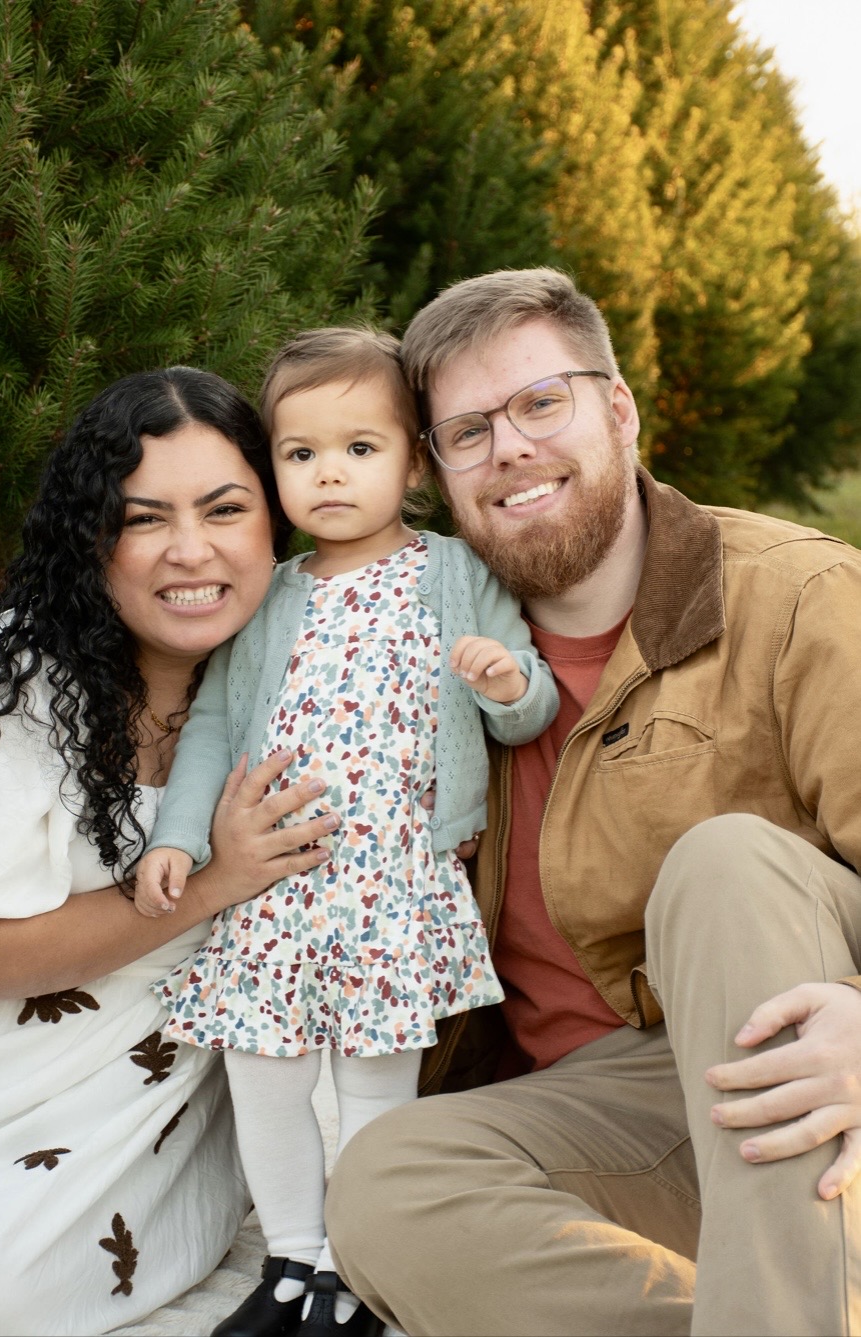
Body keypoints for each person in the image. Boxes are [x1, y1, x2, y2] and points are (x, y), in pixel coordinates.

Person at [324, 268, 861, 1337]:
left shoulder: (797, 595)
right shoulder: (418, 652)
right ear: (436, 470)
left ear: (617, 410)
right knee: (385, 1181)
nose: (507, 448)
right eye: (466, 431)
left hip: (809, 1056)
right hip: (621, 1113)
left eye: (539, 402)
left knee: (725, 862)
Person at [134, 327, 560, 1337]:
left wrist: (506, 684)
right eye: (301, 452)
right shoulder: (271, 593)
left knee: (374, 1087)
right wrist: (177, 836)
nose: (329, 472)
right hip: (275, 889)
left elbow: (527, 709)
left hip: (393, 886)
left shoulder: (455, 573)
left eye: (360, 448)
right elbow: (213, 724)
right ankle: (289, 1257)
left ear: (412, 463)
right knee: (265, 1079)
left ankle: (356, 1266)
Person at [0, 367, 340, 1337]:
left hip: (165, 1093)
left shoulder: (316, 669)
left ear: (276, 519)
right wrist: (213, 883)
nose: (190, 549)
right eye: (143, 518)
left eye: (224, 508)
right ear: (93, 540)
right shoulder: (24, 682)